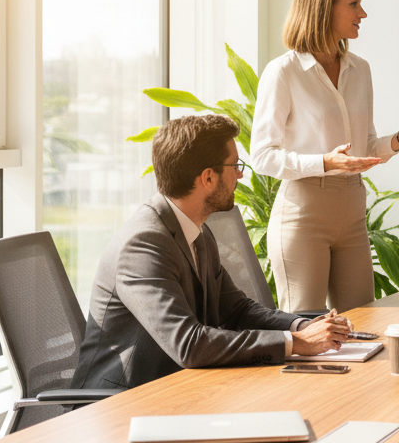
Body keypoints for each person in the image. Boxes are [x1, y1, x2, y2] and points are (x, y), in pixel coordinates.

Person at [72, 115, 351, 392]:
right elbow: (189, 344)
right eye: (235, 166)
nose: (240, 174)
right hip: (119, 406)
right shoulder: (143, 245)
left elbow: (236, 310)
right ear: (208, 177)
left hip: (177, 388)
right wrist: (298, 344)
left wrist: (302, 327)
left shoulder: (196, 231)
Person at [250, 0, 399, 313]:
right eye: (354, 3)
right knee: (307, 332)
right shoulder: (284, 72)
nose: (363, 13)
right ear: (323, 7)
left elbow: (365, 147)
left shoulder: (361, 70)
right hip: (304, 212)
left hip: (353, 209)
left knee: (363, 326)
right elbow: (263, 155)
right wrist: (324, 163)